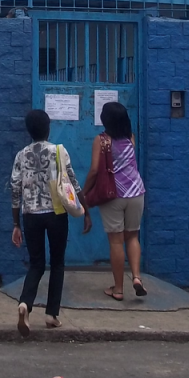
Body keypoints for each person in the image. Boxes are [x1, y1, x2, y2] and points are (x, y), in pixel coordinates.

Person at [10, 108, 83, 335]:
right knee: (58, 262)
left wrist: (16, 224)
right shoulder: (59, 152)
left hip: (30, 214)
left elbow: (15, 190)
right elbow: (72, 181)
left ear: (28, 131)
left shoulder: (21, 155)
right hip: (56, 213)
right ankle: (51, 314)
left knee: (36, 263)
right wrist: (85, 209)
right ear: (48, 128)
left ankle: (25, 304)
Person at [81, 101, 147, 301]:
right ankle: (136, 277)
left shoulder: (101, 140)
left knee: (116, 241)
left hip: (113, 195)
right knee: (133, 237)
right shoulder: (130, 137)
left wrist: (84, 192)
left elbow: (94, 170)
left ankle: (118, 289)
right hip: (136, 192)